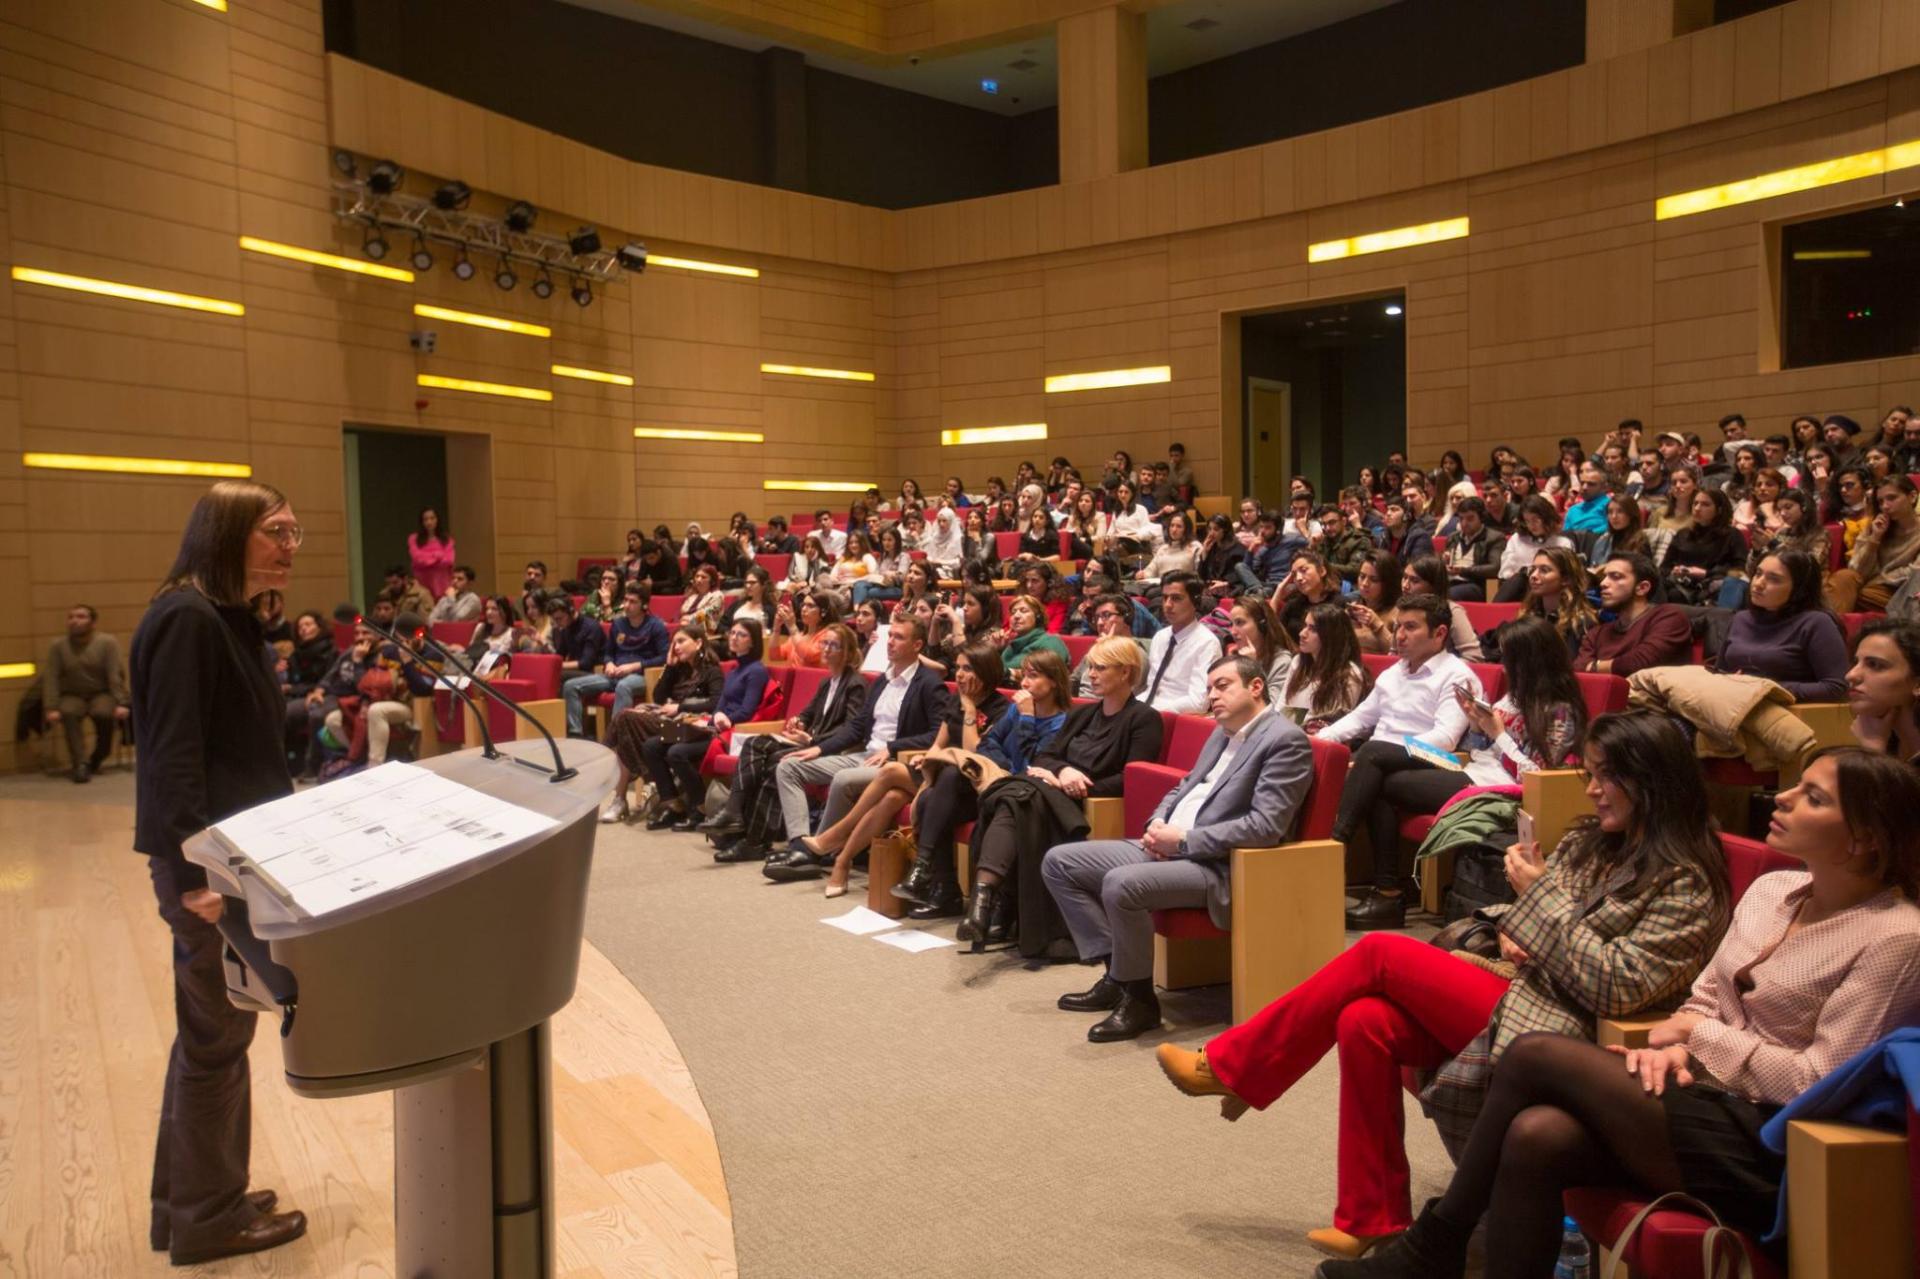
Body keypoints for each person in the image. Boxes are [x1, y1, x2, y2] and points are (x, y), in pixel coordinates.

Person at [1324, 746, 1920, 1279]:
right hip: (1699, 1094)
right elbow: (1703, 999)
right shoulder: (1772, 892)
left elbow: (1821, 1083)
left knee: (1534, 1055)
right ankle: (1440, 1246)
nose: (1783, 795)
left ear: (1865, 837)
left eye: (1812, 797)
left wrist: (1699, 1036)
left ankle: (1438, 1241)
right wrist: (1674, 1044)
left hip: (1775, 1143)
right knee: (1537, 1135)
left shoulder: (1897, 938)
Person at [1158, 712, 1728, 1262]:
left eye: (1609, 777)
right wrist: (1513, 924)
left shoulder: (1687, 882)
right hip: (1526, 988)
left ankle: (1233, 1067)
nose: (1594, 791)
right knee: (1364, 1021)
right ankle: (1370, 1216)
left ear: (1651, 781)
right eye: (1593, 774)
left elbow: (1618, 987)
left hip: (1569, 1033)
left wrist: (1536, 904)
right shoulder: (1593, 840)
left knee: (1380, 951)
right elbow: (1551, 921)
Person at [130, 480, 308, 1264]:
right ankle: (208, 1216)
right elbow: (172, 759)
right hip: (210, 870)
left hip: (234, 860)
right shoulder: (186, 620)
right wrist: (192, 874)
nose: (290, 546)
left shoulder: (225, 617)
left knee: (211, 1036)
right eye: (276, 530)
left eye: (296, 532)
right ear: (229, 533)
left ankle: (190, 1203)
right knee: (214, 1041)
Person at [1043, 655, 1314, 1041]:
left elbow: (1266, 827)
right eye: (1208, 689)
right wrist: (1157, 823)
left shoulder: (1284, 740)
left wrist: (1184, 840)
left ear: (1256, 687)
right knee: (1060, 862)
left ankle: (1139, 1002)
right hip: (1170, 844)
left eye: (1222, 686)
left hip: (1217, 865)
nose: (1212, 696)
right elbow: (1183, 787)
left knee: (1121, 883)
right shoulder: (1221, 732)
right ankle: (1118, 975)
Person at [779, 643, 1014, 901]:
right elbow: (937, 745)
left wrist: (969, 709)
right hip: (938, 774)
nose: (958, 674)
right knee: (892, 797)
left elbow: (974, 756)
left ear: (985, 672)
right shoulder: (954, 699)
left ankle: (833, 837)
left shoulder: (999, 708)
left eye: (967, 669)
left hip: (967, 784)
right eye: (957, 668)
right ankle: (842, 862)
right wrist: (926, 759)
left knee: (891, 770)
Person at [1316, 595, 1482, 930]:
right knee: (1376, 776)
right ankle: (1387, 894)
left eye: (1410, 627)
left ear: (1439, 633)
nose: (1399, 636)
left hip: (1439, 763)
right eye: (1396, 627)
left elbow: (1446, 738)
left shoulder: (1456, 675)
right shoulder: (1394, 673)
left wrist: (1389, 753)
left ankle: (1333, 846)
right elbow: (1359, 718)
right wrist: (1317, 743)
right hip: (1390, 768)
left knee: (1374, 752)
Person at [768, 616, 951, 857]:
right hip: (864, 756)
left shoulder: (929, 684)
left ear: (917, 645)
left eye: (899, 637)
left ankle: (816, 851)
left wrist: (894, 747)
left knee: (843, 779)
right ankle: (800, 843)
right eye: (890, 636)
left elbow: (938, 734)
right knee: (789, 766)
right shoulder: (883, 681)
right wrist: (819, 748)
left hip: (895, 763)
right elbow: (857, 726)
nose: (890, 642)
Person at [706, 624, 872, 860]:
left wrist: (813, 740)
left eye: (833, 645)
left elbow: (852, 730)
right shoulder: (828, 681)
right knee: (756, 743)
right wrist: (798, 721)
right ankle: (739, 819)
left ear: (847, 652)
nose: (825, 649)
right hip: (811, 742)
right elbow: (809, 712)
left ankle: (751, 837)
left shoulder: (855, 683)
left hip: (831, 749)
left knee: (774, 761)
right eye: (824, 643)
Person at [640, 619, 769, 830]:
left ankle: (699, 808)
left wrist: (726, 719)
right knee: (652, 746)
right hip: (712, 726)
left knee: (676, 753)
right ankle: (673, 804)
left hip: (730, 731)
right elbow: (720, 704)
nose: (733, 637)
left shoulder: (755, 671)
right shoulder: (735, 669)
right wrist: (711, 718)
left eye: (741, 635)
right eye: (733, 632)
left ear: (753, 642)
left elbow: (747, 710)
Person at [603, 623, 724, 821]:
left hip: (691, 727)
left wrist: (679, 708)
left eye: (681, 641)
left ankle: (618, 792)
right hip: (670, 723)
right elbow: (659, 697)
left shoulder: (712, 671)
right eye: (674, 643)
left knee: (625, 718)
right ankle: (622, 797)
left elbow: (715, 703)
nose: (676, 647)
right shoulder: (679, 669)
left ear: (699, 642)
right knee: (626, 721)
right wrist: (669, 666)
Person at [1714, 550, 1848, 702]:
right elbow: (1720, 672)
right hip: (1735, 706)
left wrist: (1766, 688)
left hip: (1789, 713)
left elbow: (1837, 687)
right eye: (1758, 574)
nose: (1758, 584)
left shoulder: (1816, 622)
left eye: (1774, 580)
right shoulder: (1740, 618)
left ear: (1799, 589)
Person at [562, 583, 670, 738]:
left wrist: (634, 666)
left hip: (640, 676)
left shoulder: (655, 626)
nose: (626, 605)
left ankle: (615, 737)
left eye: (633, 602)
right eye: (625, 600)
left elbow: (663, 658)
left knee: (623, 686)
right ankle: (576, 733)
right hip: (614, 674)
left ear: (644, 605)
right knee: (571, 686)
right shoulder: (618, 624)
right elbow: (608, 653)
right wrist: (609, 663)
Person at [41, 603, 130, 782]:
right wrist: (50, 706)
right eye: (71, 617)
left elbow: (115, 674)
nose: (75, 621)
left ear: (93, 623)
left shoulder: (107, 643)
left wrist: (122, 702)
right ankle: (80, 763)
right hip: (72, 694)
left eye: (81, 617)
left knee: (104, 714)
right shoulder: (58, 646)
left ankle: (98, 756)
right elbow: (51, 677)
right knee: (68, 712)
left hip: (101, 692)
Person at [1575, 554, 1693, 676]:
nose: (1603, 583)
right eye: (1604, 577)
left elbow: (1640, 662)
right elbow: (1579, 668)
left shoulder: (1669, 617)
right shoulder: (1597, 633)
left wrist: (1594, 666)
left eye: (1615, 577)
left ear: (1642, 588)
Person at [1826, 475, 1920, 612]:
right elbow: (1855, 568)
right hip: (1870, 585)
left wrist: (1879, 579)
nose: (1885, 506)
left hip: (1902, 591)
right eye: (1880, 502)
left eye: (1892, 498)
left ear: (1912, 497)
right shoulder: (1876, 525)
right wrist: (1875, 539)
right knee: (1843, 577)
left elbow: (1914, 573)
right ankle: (1832, 627)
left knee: (1860, 594)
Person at [1139, 572, 1221, 714]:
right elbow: (1151, 688)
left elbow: (1198, 702)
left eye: (1176, 598)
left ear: (1195, 602)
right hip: (1149, 711)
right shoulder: (1160, 637)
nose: (1168, 605)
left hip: (1175, 717)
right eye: (1165, 598)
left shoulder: (1207, 643)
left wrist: (1151, 712)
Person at [1283, 603, 1371, 732]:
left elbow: (1331, 723)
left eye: (1312, 629)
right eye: (1305, 626)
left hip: (1318, 740)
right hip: (1287, 733)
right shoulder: (1298, 661)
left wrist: (1292, 720)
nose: (1302, 633)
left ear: (1330, 636)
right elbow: (1282, 706)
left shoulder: (1349, 674)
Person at [1847, 618, 1920, 763]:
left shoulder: (1875, 741)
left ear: (1917, 685)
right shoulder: (1882, 736)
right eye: (1856, 662)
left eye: (1874, 665)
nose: (1850, 675)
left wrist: (1873, 751)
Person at [1662, 486, 1747, 606]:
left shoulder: (1732, 535)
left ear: (1719, 510)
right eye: (1695, 503)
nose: (1697, 508)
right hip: (1680, 585)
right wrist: (1674, 571)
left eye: (1705, 504)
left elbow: (1738, 570)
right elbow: (1664, 567)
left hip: (1711, 587)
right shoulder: (1683, 534)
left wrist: (1706, 573)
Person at [1491, 496, 1570, 602]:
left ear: (1546, 518)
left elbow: (1566, 576)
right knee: (1519, 579)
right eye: (1527, 521)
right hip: (1520, 589)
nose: (1531, 525)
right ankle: (1495, 611)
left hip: (1548, 590)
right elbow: (1505, 573)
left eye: (1535, 520)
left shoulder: (1562, 542)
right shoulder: (1517, 539)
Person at [1227, 595, 1295, 702]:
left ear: (1262, 625)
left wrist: (1252, 668)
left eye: (1240, 623)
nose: (1233, 632)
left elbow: (1270, 707)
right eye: (1231, 624)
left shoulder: (1282, 661)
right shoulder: (1235, 655)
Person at [1441, 497, 1505, 601]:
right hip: (1450, 582)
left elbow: (1495, 568)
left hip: (1476, 584)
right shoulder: (1453, 537)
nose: (1464, 523)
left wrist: (1463, 571)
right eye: (1461, 519)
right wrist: (1443, 561)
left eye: (1470, 519)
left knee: (1449, 594)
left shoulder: (1494, 538)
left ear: (1481, 518)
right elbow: (1445, 566)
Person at [999, 592, 1069, 676]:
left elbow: (1049, 676)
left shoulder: (1050, 641)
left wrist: (1011, 674)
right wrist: (995, 649)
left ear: (1037, 616)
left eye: (1024, 611)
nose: (1016, 616)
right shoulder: (1010, 645)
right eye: (1013, 612)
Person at [407, 506, 456, 600]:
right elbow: (418, 559)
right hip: (422, 583)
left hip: (442, 584)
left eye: (432, 518)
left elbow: (449, 561)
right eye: (426, 519)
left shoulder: (447, 539)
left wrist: (428, 558)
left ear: (437, 520)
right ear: (422, 522)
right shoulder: (414, 539)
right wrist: (438, 556)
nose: (429, 522)